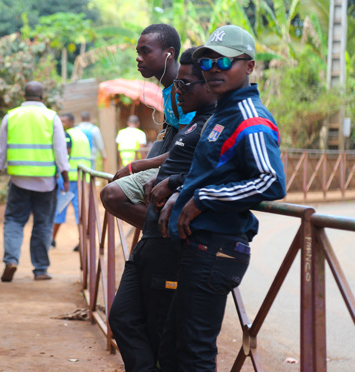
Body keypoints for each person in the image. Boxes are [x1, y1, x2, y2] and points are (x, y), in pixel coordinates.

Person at [158, 25, 286, 371]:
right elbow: (214, 171)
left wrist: (203, 199)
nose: (213, 69)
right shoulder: (222, 113)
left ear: (249, 66)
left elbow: (270, 181)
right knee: (173, 348)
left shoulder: (250, 118)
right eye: (207, 62)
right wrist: (182, 192)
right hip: (199, 245)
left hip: (217, 248)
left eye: (225, 61)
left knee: (194, 354)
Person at [108, 47, 217, 372]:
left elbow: (223, 175)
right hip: (151, 242)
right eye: (177, 85)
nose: (176, 91)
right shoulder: (194, 123)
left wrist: (173, 184)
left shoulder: (217, 124)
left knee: (172, 338)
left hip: (175, 246)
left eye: (185, 85)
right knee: (123, 316)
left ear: (208, 85)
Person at [100, 24, 196, 229]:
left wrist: (135, 166)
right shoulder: (168, 90)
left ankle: (167, 233)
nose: (138, 58)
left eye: (145, 51)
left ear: (169, 54)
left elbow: (183, 151)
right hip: (171, 167)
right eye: (138, 52)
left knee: (111, 194)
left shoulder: (185, 90)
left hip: (183, 170)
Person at [0, 81, 70, 282]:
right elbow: (60, 152)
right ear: (42, 98)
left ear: (24, 96)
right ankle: (40, 269)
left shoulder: (11, 116)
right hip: (46, 182)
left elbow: (0, 153)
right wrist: (65, 178)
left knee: (14, 221)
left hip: (18, 180)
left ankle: (11, 260)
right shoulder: (51, 117)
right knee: (43, 224)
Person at [51, 113, 91, 249]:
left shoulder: (67, 135)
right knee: (79, 210)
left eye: (64, 121)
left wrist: (58, 173)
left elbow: (64, 155)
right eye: (60, 121)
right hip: (82, 177)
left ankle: (51, 239)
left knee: (60, 208)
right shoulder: (82, 136)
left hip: (68, 179)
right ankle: (83, 241)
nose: (61, 124)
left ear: (72, 122)